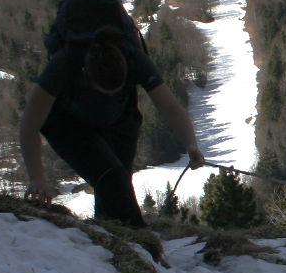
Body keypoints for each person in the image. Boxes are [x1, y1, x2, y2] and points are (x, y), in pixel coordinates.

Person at [20, 25, 204, 226]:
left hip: (119, 119)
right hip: (67, 122)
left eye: (116, 90)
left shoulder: (133, 58)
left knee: (118, 184)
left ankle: (109, 236)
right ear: (86, 74)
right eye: (106, 91)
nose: (111, 94)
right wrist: (36, 178)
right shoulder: (64, 63)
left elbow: (170, 107)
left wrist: (191, 143)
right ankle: (139, 241)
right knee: (111, 178)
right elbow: (29, 125)